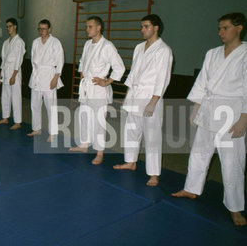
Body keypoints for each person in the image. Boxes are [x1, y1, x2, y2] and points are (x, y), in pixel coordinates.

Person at [172, 12, 247, 226]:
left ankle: (235, 208)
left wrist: (244, 119)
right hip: (209, 108)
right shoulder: (212, 53)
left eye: (225, 28)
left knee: (232, 162)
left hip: (232, 113)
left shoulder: (245, 53)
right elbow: (202, 82)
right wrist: (196, 109)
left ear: (239, 28)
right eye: (219, 28)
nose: (220, 32)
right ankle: (191, 189)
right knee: (199, 153)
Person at [113, 14, 173, 187]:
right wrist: (127, 96)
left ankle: (154, 173)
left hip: (150, 96)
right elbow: (133, 74)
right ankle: (130, 162)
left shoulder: (164, 50)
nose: (142, 30)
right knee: (131, 130)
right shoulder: (139, 47)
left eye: (146, 26)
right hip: (135, 94)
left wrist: (153, 102)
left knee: (152, 136)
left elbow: (163, 79)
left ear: (156, 28)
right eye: (141, 26)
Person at [69, 16, 125, 164]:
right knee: (84, 115)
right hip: (87, 86)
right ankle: (84, 144)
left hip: (99, 88)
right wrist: (82, 76)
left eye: (90, 27)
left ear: (99, 27)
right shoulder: (88, 44)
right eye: (86, 26)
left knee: (99, 120)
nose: (87, 29)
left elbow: (120, 67)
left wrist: (107, 82)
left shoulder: (107, 46)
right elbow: (83, 62)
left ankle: (100, 152)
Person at [26, 19, 64, 142]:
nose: (41, 31)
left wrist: (56, 77)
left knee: (50, 106)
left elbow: (60, 61)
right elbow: (33, 61)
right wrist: (34, 74)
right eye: (40, 29)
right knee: (34, 104)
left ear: (49, 29)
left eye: (44, 29)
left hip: (49, 76)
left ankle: (53, 133)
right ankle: (37, 128)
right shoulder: (35, 42)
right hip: (37, 75)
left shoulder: (55, 42)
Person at [0, 18, 26, 130]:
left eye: (10, 26)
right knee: (5, 95)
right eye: (7, 26)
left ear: (15, 27)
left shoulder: (19, 42)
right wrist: (1, 74)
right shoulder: (5, 42)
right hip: (6, 71)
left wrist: (14, 75)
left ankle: (17, 122)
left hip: (15, 72)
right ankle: (5, 117)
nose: (8, 28)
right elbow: (3, 60)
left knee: (16, 96)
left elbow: (18, 60)